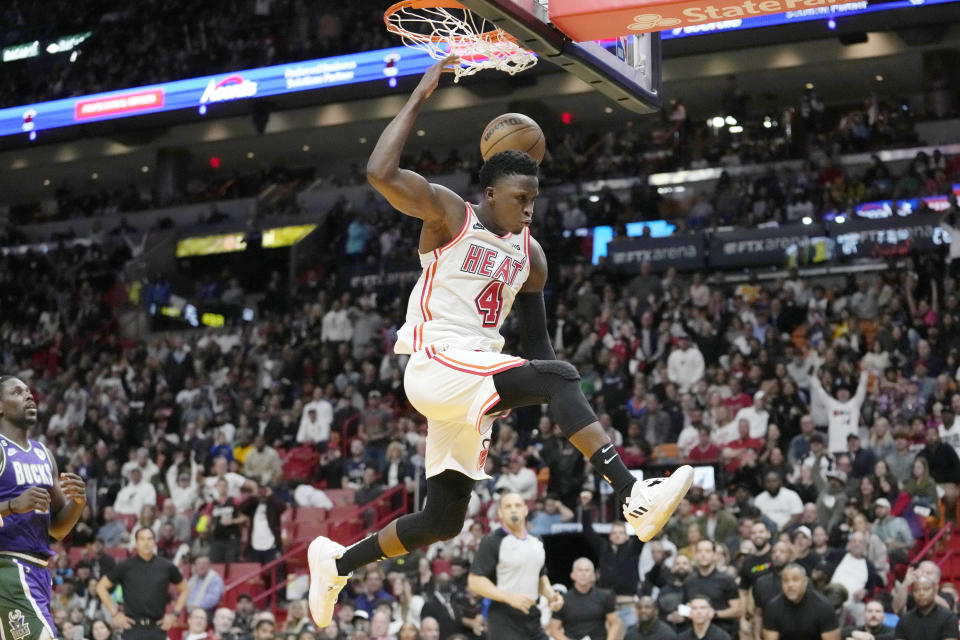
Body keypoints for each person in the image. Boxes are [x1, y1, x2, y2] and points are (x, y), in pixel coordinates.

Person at [306, 55, 693, 626]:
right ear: (489, 194)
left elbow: (539, 347)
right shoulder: (448, 216)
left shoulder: (530, 255)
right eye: (520, 200)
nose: (529, 210)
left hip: (474, 376)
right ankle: (634, 495)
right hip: (436, 360)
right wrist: (420, 93)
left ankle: (338, 561)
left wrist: (549, 404)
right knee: (560, 378)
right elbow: (380, 173)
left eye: (534, 200)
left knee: (442, 520)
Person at [0, 375, 87, 640]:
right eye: (17, 392)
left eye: (29, 391)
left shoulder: (43, 454)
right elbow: (14, 507)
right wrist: (12, 506)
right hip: (9, 567)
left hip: (38, 570)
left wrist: (78, 503)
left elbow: (57, 530)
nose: (29, 396)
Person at [466, 492, 562, 639]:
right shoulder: (492, 541)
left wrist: (551, 595)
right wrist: (510, 598)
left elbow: (540, 575)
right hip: (504, 617)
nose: (513, 509)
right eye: (508, 506)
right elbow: (475, 580)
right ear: (501, 513)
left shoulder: (536, 540)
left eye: (517, 505)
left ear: (525, 510)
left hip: (531, 614)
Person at [96, 527, 189, 640]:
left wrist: (175, 615)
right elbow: (101, 587)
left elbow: (185, 589)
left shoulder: (166, 566)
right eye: (142, 539)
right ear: (136, 543)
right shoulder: (125, 566)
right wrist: (115, 614)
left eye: (149, 539)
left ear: (154, 542)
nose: (146, 543)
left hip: (157, 628)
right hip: (132, 628)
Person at [580, 490, 644, 627]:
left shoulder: (633, 548)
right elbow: (588, 532)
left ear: (627, 536)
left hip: (628, 604)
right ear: (609, 536)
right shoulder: (603, 547)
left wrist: (641, 508)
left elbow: (643, 532)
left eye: (621, 533)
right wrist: (585, 508)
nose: (617, 535)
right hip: (606, 605)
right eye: (614, 533)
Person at [548, 558, 622, 640]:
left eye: (587, 570)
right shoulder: (562, 600)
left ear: (593, 575)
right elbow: (554, 629)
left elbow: (615, 623)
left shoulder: (605, 596)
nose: (583, 574)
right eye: (580, 570)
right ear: (572, 575)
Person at [761, 563, 840, 640]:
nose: (790, 585)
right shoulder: (772, 607)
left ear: (805, 582)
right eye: (785, 581)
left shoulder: (824, 607)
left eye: (795, 580)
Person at [682, 540, 741, 637]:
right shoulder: (689, 581)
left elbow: (738, 610)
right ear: (695, 555)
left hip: (722, 633)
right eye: (700, 551)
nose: (703, 554)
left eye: (707, 551)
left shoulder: (726, 580)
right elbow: (685, 607)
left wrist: (715, 614)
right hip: (694, 633)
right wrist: (682, 612)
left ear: (714, 555)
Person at [893, 576, 959, 640]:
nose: (921, 593)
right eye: (916, 590)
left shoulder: (949, 618)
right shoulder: (904, 619)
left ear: (935, 592)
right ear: (913, 593)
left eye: (926, 589)